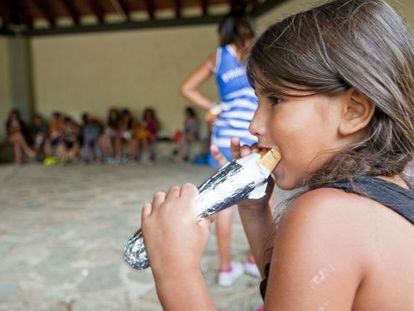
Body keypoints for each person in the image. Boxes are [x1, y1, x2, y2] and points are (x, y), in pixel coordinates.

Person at [141, 0, 414, 309]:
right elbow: (288, 288)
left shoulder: (328, 215)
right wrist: (255, 212)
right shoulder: (393, 188)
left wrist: (175, 270)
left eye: (275, 99)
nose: (253, 125)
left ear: (353, 110)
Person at [180, 13, 260, 285]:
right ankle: (254, 259)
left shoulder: (219, 56)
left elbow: (187, 88)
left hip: (224, 134)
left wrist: (212, 107)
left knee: (224, 202)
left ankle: (226, 270)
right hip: (253, 133)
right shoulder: (258, 53)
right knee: (262, 198)